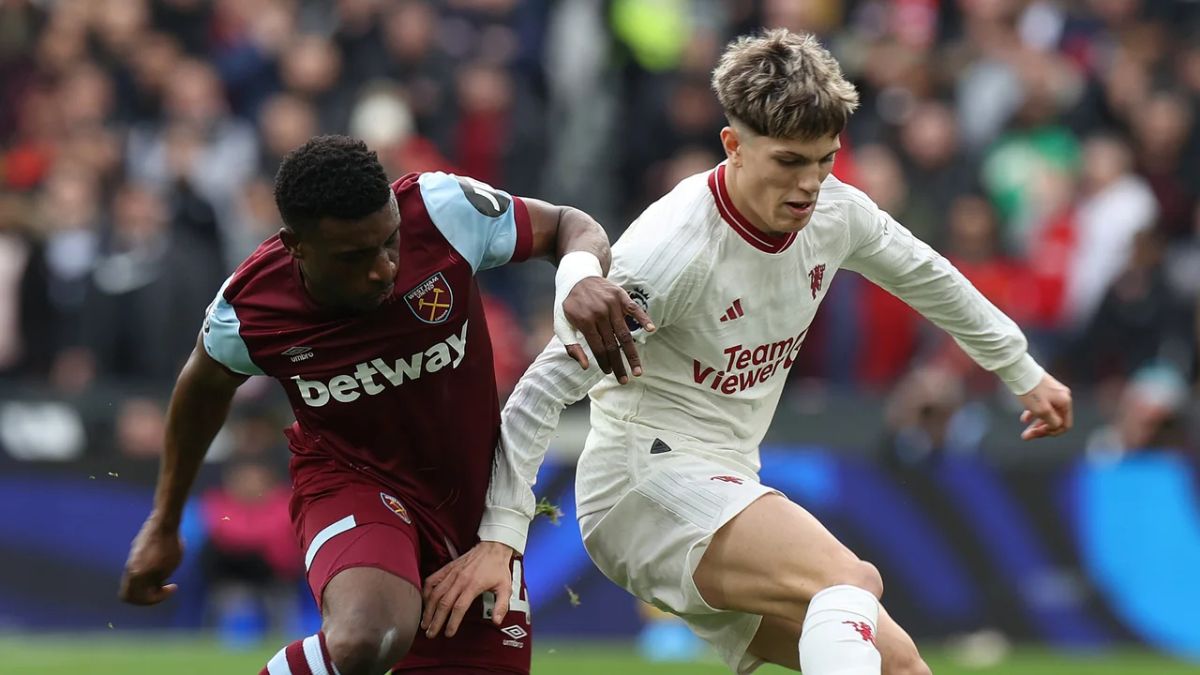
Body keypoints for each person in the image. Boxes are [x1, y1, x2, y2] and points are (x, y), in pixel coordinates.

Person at [423, 30, 1072, 675]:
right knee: (848, 578)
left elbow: (932, 279)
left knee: (897, 663)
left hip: (727, 476)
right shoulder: (671, 252)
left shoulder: (836, 213)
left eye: (825, 160)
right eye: (790, 161)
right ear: (733, 145)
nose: (810, 184)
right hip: (641, 484)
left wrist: (1022, 370)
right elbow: (539, 390)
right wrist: (502, 539)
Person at [118, 135, 651, 675]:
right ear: (296, 244)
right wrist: (164, 522)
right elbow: (202, 388)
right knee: (366, 638)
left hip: (472, 508)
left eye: (390, 241)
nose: (383, 268)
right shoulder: (251, 309)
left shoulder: (443, 212)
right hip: (352, 481)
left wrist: (580, 275)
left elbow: (567, 224)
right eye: (355, 256)